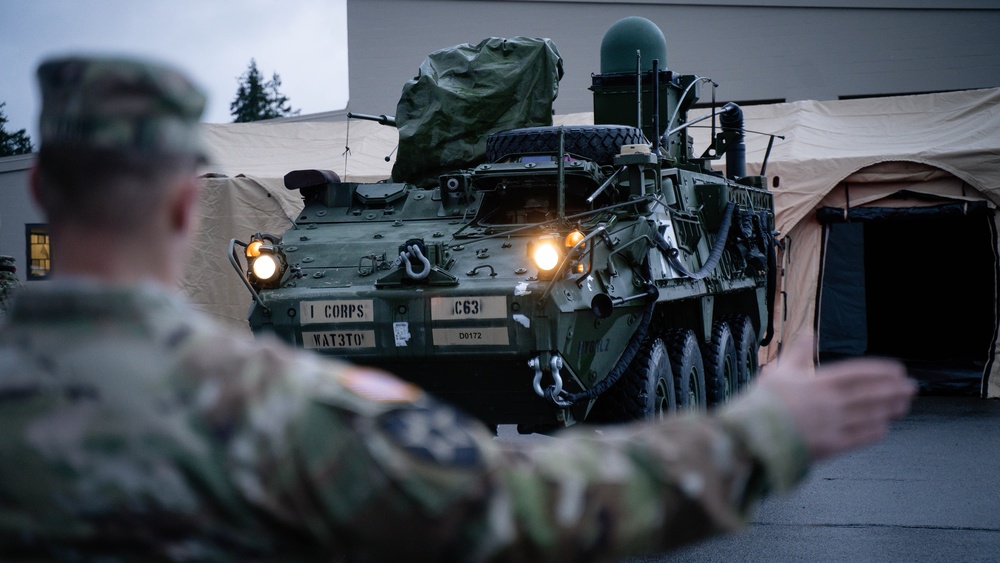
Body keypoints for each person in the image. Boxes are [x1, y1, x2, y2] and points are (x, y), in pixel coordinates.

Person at [0, 55, 915, 562]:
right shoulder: (276, 414)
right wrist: (761, 436)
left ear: (39, 185)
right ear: (181, 204)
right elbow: (515, 505)